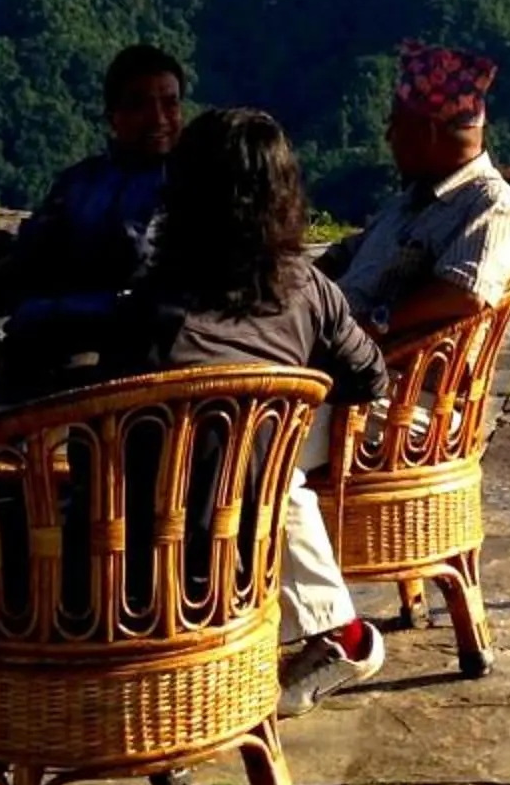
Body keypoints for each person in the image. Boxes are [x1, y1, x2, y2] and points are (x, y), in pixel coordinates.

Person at [102, 107, 390, 717]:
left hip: (132, 573)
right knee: (269, 468)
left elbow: (102, 429)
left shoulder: (152, 311)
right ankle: (333, 633)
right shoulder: (308, 290)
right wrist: (283, 404)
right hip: (248, 552)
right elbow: (369, 376)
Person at [0, 42, 184, 402]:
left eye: (170, 103)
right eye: (140, 105)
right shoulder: (80, 182)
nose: (159, 119)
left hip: (135, 350)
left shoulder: (193, 182)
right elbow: (29, 258)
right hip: (47, 336)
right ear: (113, 116)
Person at [318, 41, 510, 337]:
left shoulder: (491, 206)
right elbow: (349, 252)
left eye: (395, 125)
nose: (388, 137)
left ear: (428, 132)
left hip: (374, 369)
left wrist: (373, 327)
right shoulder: (414, 199)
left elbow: (465, 292)